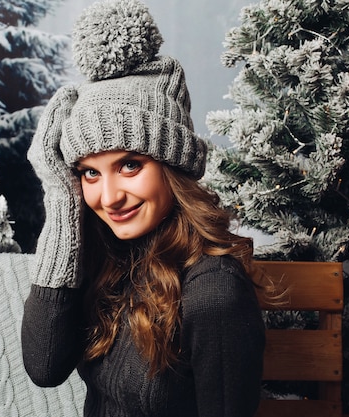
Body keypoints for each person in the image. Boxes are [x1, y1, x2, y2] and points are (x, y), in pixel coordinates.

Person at [21, 0, 265, 416]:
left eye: (129, 165)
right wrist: (62, 203)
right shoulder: (107, 256)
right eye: (89, 173)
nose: (109, 196)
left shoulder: (213, 293)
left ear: (173, 166)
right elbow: (44, 367)